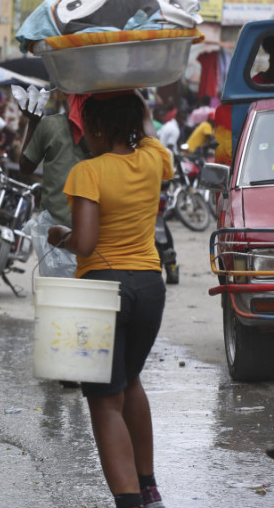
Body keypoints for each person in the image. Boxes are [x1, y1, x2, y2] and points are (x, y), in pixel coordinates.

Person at [46, 92, 172, 508]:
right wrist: (135, 96)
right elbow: (150, 126)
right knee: (131, 380)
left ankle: (129, 501)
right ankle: (148, 486)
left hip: (102, 290)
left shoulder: (88, 172)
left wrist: (58, 236)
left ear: (98, 128)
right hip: (150, 287)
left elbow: (84, 243)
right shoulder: (154, 158)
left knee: (104, 400)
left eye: (86, 126)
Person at [19, 99, 90, 279]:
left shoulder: (50, 125)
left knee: (60, 297)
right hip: (91, 231)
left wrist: (34, 122)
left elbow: (25, 166)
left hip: (57, 234)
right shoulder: (106, 126)